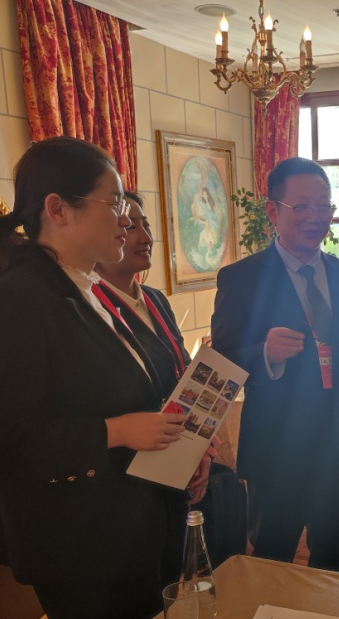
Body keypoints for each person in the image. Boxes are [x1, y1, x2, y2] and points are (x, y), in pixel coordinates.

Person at [0, 137, 210, 619]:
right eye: (114, 202)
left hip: (137, 521)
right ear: (58, 209)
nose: (125, 218)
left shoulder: (89, 290)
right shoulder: (17, 300)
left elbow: (136, 394)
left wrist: (186, 448)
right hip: (81, 542)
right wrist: (113, 431)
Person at [210, 157, 339, 573]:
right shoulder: (241, 278)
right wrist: (264, 352)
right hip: (277, 445)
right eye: (302, 206)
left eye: (324, 205)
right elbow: (221, 360)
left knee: (331, 559)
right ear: (273, 210)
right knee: (272, 557)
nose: (315, 216)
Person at [93, 191, 247, 573]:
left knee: (179, 582)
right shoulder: (89, 310)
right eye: (130, 226)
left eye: (145, 225)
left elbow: (181, 384)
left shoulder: (155, 300)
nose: (144, 237)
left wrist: (200, 453)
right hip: (122, 487)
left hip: (172, 471)